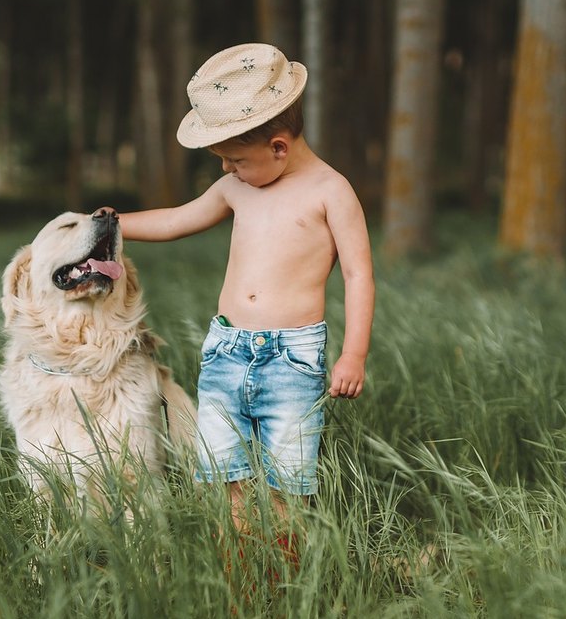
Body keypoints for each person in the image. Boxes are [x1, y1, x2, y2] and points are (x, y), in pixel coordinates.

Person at [113, 43, 374, 533]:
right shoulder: (238, 188)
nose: (226, 170)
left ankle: (283, 577)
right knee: (223, 470)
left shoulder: (330, 192)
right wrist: (113, 225)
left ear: (278, 146)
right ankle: (238, 572)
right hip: (227, 351)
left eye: (234, 159)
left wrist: (353, 354)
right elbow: (176, 220)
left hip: (291, 361)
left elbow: (359, 273)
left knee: (286, 479)